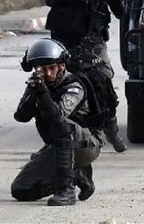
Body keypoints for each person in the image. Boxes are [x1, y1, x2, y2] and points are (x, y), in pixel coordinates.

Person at [23, 0, 128, 153]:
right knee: (54, 87)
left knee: (103, 84)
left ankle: (111, 129)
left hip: (92, 46)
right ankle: (59, 135)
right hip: (63, 47)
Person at [11, 38, 101, 206]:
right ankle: (78, 176)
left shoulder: (74, 86)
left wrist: (42, 93)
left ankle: (66, 190)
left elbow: (57, 119)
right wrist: (34, 91)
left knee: (63, 127)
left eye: (52, 68)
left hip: (85, 145)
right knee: (21, 189)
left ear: (62, 66)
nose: (48, 74)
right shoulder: (38, 84)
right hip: (57, 147)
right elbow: (21, 116)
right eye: (43, 69)